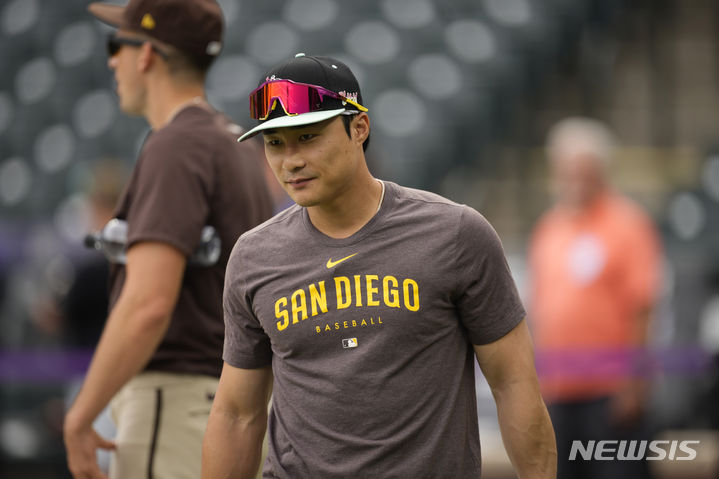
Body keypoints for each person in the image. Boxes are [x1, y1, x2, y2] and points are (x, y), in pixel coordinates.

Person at [202, 53, 556, 478]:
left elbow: (513, 383)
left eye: (308, 136)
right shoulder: (253, 256)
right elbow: (237, 414)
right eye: (275, 143)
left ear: (359, 128)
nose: (290, 160)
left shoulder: (457, 234)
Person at [62, 1, 274, 478]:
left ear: (146, 54)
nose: (112, 61)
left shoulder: (179, 144)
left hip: (177, 404)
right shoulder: (233, 143)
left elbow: (148, 304)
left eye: (117, 45)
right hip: (229, 406)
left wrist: (81, 414)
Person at [528, 117, 662, 479]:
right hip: (560, 392)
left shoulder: (628, 224)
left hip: (610, 392)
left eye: (583, 170)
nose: (575, 179)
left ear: (602, 170)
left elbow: (642, 308)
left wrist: (635, 385)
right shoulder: (549, 228)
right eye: (566, 169)